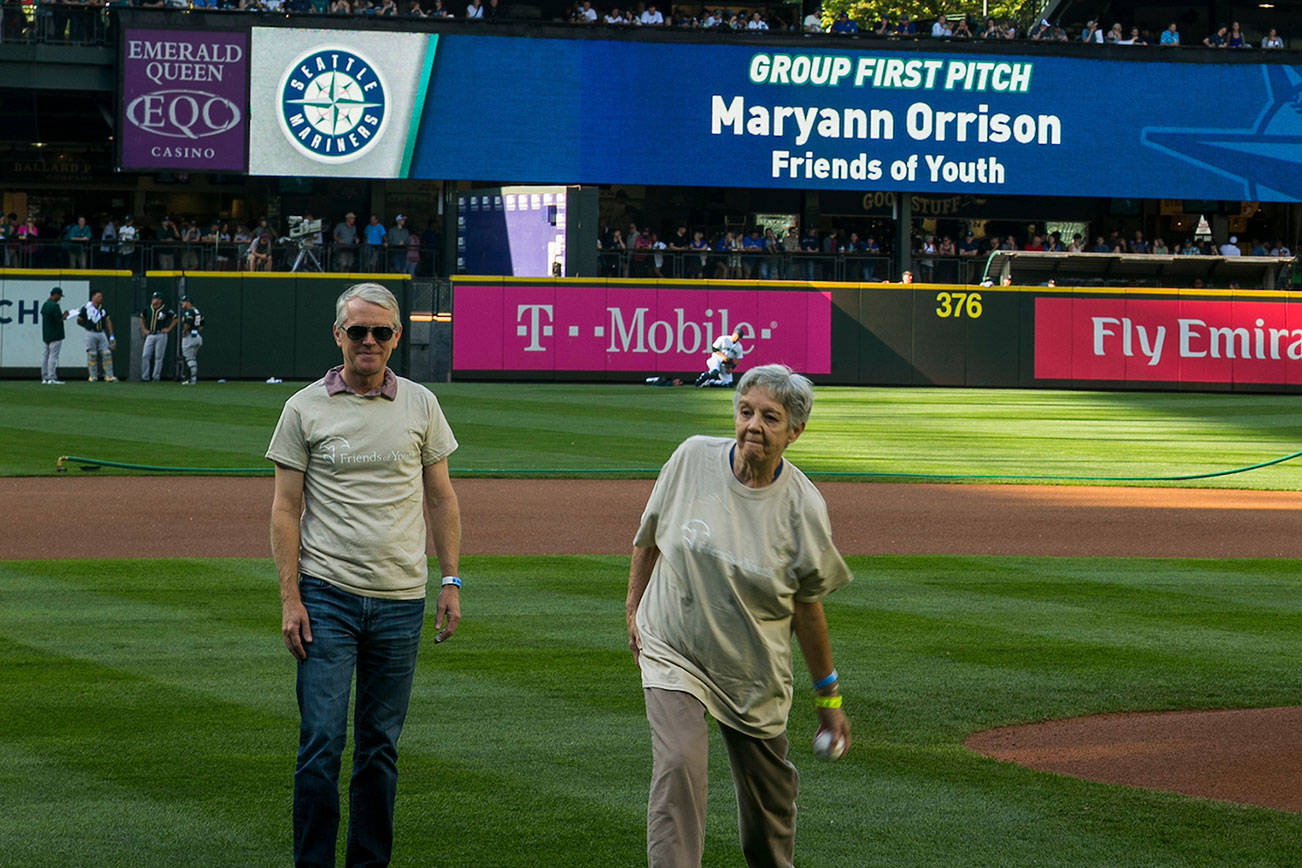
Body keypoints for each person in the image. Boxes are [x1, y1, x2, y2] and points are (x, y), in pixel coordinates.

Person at [267, 282, 462, 868]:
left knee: (379, 749)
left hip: (401, 598)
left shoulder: (422, 404)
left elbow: (442, 498)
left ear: (397, 337)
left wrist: (450, 581)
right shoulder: (304, 407)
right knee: (322, 743)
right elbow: (284, 507)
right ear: (338, 336)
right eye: (358, 332)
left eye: (381, 332)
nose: (369, 342)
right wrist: (289, 598)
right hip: (326, 596)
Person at [626, 363, 852, 868]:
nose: (753, 425)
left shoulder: (802, 508)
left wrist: (828, 695)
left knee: (768, 815)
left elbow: (807, 610)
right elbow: (648, 539)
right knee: (679, 764)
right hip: (673, 647)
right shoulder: (690, 459)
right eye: (745, 412)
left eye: (770, 418)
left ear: (795, 431)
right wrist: (634, 609)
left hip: (751, 670)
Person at [77, 290, 117, 382]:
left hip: (101, 332)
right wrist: (87, 325)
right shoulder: (86, 308)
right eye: (98, 296)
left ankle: (109, 376)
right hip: (90, 332)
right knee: (92, 354)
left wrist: (111, 336)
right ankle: (93, 376)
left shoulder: (102, 309)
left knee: (107, 353)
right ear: (93, 297)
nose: (101, 298)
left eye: (101, 296)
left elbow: (108, 321)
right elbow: (79, 320)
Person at [139, 290, 177, 382]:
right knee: (145, 355)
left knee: (158, 357)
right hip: (150, 334)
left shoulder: (165, 309)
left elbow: (175, 318)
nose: (154, 300)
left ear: (160, 300)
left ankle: (156, 377)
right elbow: (142, 317)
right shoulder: (148, 308)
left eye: (156, 298)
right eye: (153, 298)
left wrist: (168, 329)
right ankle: (145, 377)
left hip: (161, 334)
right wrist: (144, 329)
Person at [41, 286, 67, 384]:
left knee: (45, 356)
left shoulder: (45, 304)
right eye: (59, 295)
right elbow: (58, 320)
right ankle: (51, 377)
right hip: (55, 334)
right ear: (55, 295)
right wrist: (65, 316)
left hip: (46, 334)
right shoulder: (55, 306)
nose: (60, 298)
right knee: (53, 356)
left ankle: (44, 377)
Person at [179, 296, 204, 385]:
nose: (182, 303)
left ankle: (191, 379)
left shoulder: (189, 312)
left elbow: (188, 323)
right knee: (192, 358)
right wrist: (196, 330)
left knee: (189, 359)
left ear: (188, 302)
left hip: (189, 336)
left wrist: (185, 331)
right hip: (196, 335)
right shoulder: (197, 311)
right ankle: (193, 379)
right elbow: (202, 324)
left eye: (184, 302)